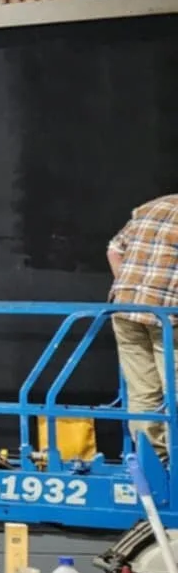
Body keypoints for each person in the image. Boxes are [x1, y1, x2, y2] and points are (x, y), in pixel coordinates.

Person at [108, 195, 178, 463]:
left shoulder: (154, 206)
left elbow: (114, 250)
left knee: (142, 393)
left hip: (125, 309)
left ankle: (155, 464)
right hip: (167, 316)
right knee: (174, 390)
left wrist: (135, 292)